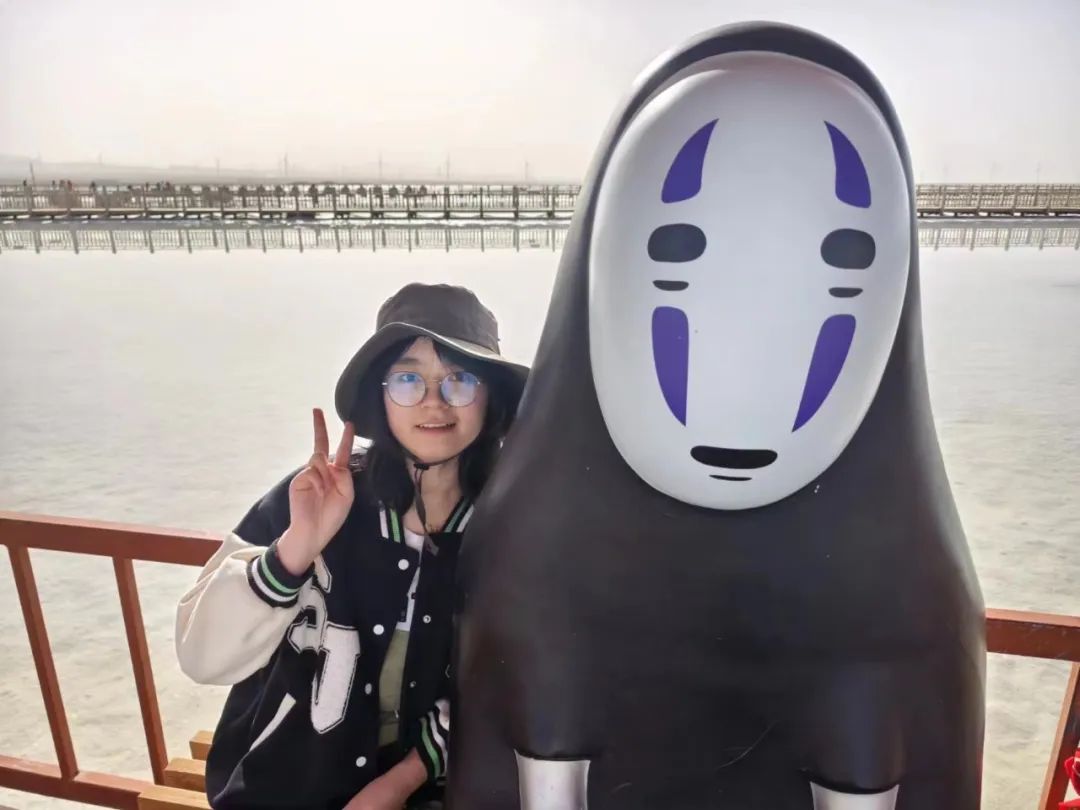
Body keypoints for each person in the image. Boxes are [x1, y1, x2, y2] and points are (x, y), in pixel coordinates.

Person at [175, 283, 528, 809]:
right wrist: (294, 550)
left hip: (430, 788)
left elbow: (509, 683)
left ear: (491, 397)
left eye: (460, 379)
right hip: (281, 786)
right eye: (407, 378)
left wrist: (397, 785)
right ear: (379, 395)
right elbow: (201, 658)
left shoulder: (508, 528)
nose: (433, 402)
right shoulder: (314, 496)